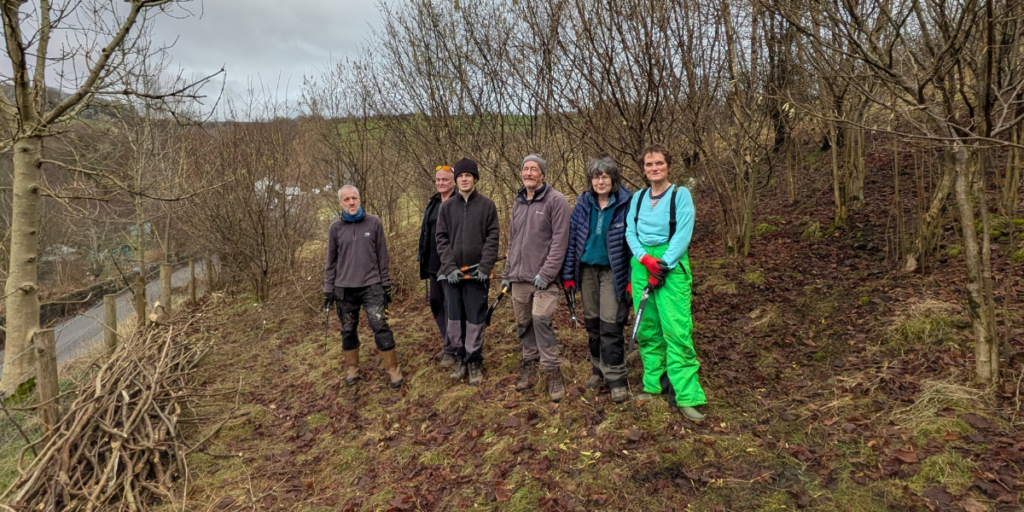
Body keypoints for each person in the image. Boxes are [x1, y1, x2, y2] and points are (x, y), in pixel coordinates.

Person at [625, 144, 706, 421]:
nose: (654, 168)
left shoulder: (680, 195)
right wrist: (644, 259)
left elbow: (683, 233)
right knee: (648, 328)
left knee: (676, 329)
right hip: (642, 264)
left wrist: (662, 266)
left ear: (668, 165)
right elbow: (629, 231)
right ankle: (654, 383)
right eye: (649, 164)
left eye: (659, 163)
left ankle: (685, 395)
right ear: (643, 168)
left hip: (670, 265)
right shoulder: (637, 198)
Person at [561, 156, 632, 404]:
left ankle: (616, 378)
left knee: (611, 323)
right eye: (596, 176)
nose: (600, 181)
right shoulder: (582, 205)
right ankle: (597, 370)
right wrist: (568, 275)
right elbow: (572, 243)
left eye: (605, 176)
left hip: (614, 272)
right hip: (587, 270)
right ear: (590, 180)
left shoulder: (627, 204)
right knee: (592, 324)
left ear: (613, 178)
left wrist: (632, 279)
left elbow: (633, 245)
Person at [502, 154, 571, 402]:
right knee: (524, 324)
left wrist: (547, 273)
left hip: (544, 280)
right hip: (519, 278)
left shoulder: (556, 201)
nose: (529, 173)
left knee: (540, 319)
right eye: (525, 169)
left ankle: (552, 371)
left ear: (542, 174)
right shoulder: (519, 202)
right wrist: (507, 274)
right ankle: (529, 367)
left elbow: (560, 242)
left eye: (534, 169)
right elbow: (513, 241)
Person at [324, 185, 403, 389]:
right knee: (348, 329)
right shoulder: (335, 228)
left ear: (359, 199)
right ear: (340, 203)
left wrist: (386, 284)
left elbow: (382, 257)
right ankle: (352, 368)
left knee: (380, 325)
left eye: (354, 198)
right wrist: (328, 288)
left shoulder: (374, 222)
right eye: (347, 199)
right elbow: (331, 262)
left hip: (372, 285)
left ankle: (393, 370)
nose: (351, 202)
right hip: (344, 288)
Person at [435, 158, 500, 386]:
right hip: (453, 276)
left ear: (475, 179)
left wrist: (485, 266)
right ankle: (461, 357)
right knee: (455, 319)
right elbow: (441, 239)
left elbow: (493, 237)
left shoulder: (487, 205)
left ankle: (474, 360)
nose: (464, 179)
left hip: (476, 276)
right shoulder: (446, 207)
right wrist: (449, 267)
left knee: (475, 318)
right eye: (460, 176)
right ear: (456, 180)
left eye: (468, 176)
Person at [418, 165, 457, 367]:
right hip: (433, 262)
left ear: (454, 181)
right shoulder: (433, 202)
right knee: (436, 302)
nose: (441, 183)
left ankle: (451, 348)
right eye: (438, 180)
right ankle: (447, 341)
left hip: (451, 264)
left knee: (451, 306)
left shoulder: (459, 202)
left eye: (445, 180)